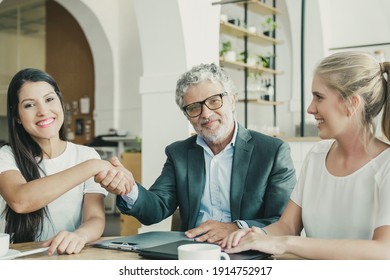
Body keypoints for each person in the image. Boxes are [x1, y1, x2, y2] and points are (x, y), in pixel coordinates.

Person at [95, 63, 296, 243]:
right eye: (194, 108)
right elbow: (156, 209)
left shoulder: (273, 152)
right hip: (192, 252)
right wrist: (128, 188)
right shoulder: (179, 153)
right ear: (187, 115)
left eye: (214, 101)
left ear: (232, 101)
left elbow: (283, 222)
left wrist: (235, 228)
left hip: (248, 251)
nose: (206, 114)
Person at [221, 51, 390, 259]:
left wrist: (285, 243)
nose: (310, 108)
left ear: (351, 103)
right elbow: (287, 225)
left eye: (319, 97)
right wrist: (255, 235)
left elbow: (384, 250)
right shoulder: (317, 156)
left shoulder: (386, 165)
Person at [0, 68, 128, 255]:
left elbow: (94, 217)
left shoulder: (86, 155)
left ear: (60, 102)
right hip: (18, 260)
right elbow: (21, 200)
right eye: (29, 105)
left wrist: (80, 236)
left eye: (49, 99)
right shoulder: (6, 156)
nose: (43, 111)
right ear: (17, 116)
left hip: (66, 257)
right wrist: (93, 166)